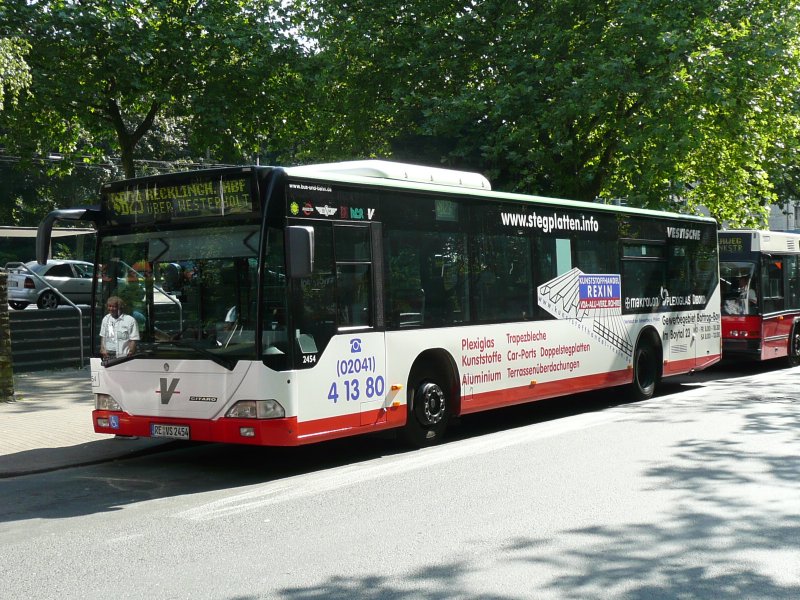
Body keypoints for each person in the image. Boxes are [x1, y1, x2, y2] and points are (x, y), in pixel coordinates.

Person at [99, 296, 140, 360]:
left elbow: (134, 339)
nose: (111, 309)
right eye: (109, 306)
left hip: (124, 355)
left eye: (114, 306)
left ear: (120, 307)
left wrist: (131, 352)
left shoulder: (130, 320)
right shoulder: (106, 319)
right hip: (108, 354)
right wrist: (102, 349)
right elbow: (103, 336)